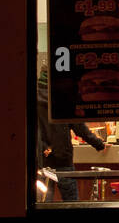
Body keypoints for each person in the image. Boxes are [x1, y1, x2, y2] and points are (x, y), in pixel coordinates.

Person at [36, 66, 108, 201]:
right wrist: (98, 143)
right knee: (71, 202)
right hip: (63, 158)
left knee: (43, 202)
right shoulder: (63, 99)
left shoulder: (32, 101)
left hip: (42, 159)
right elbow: (79, 127)